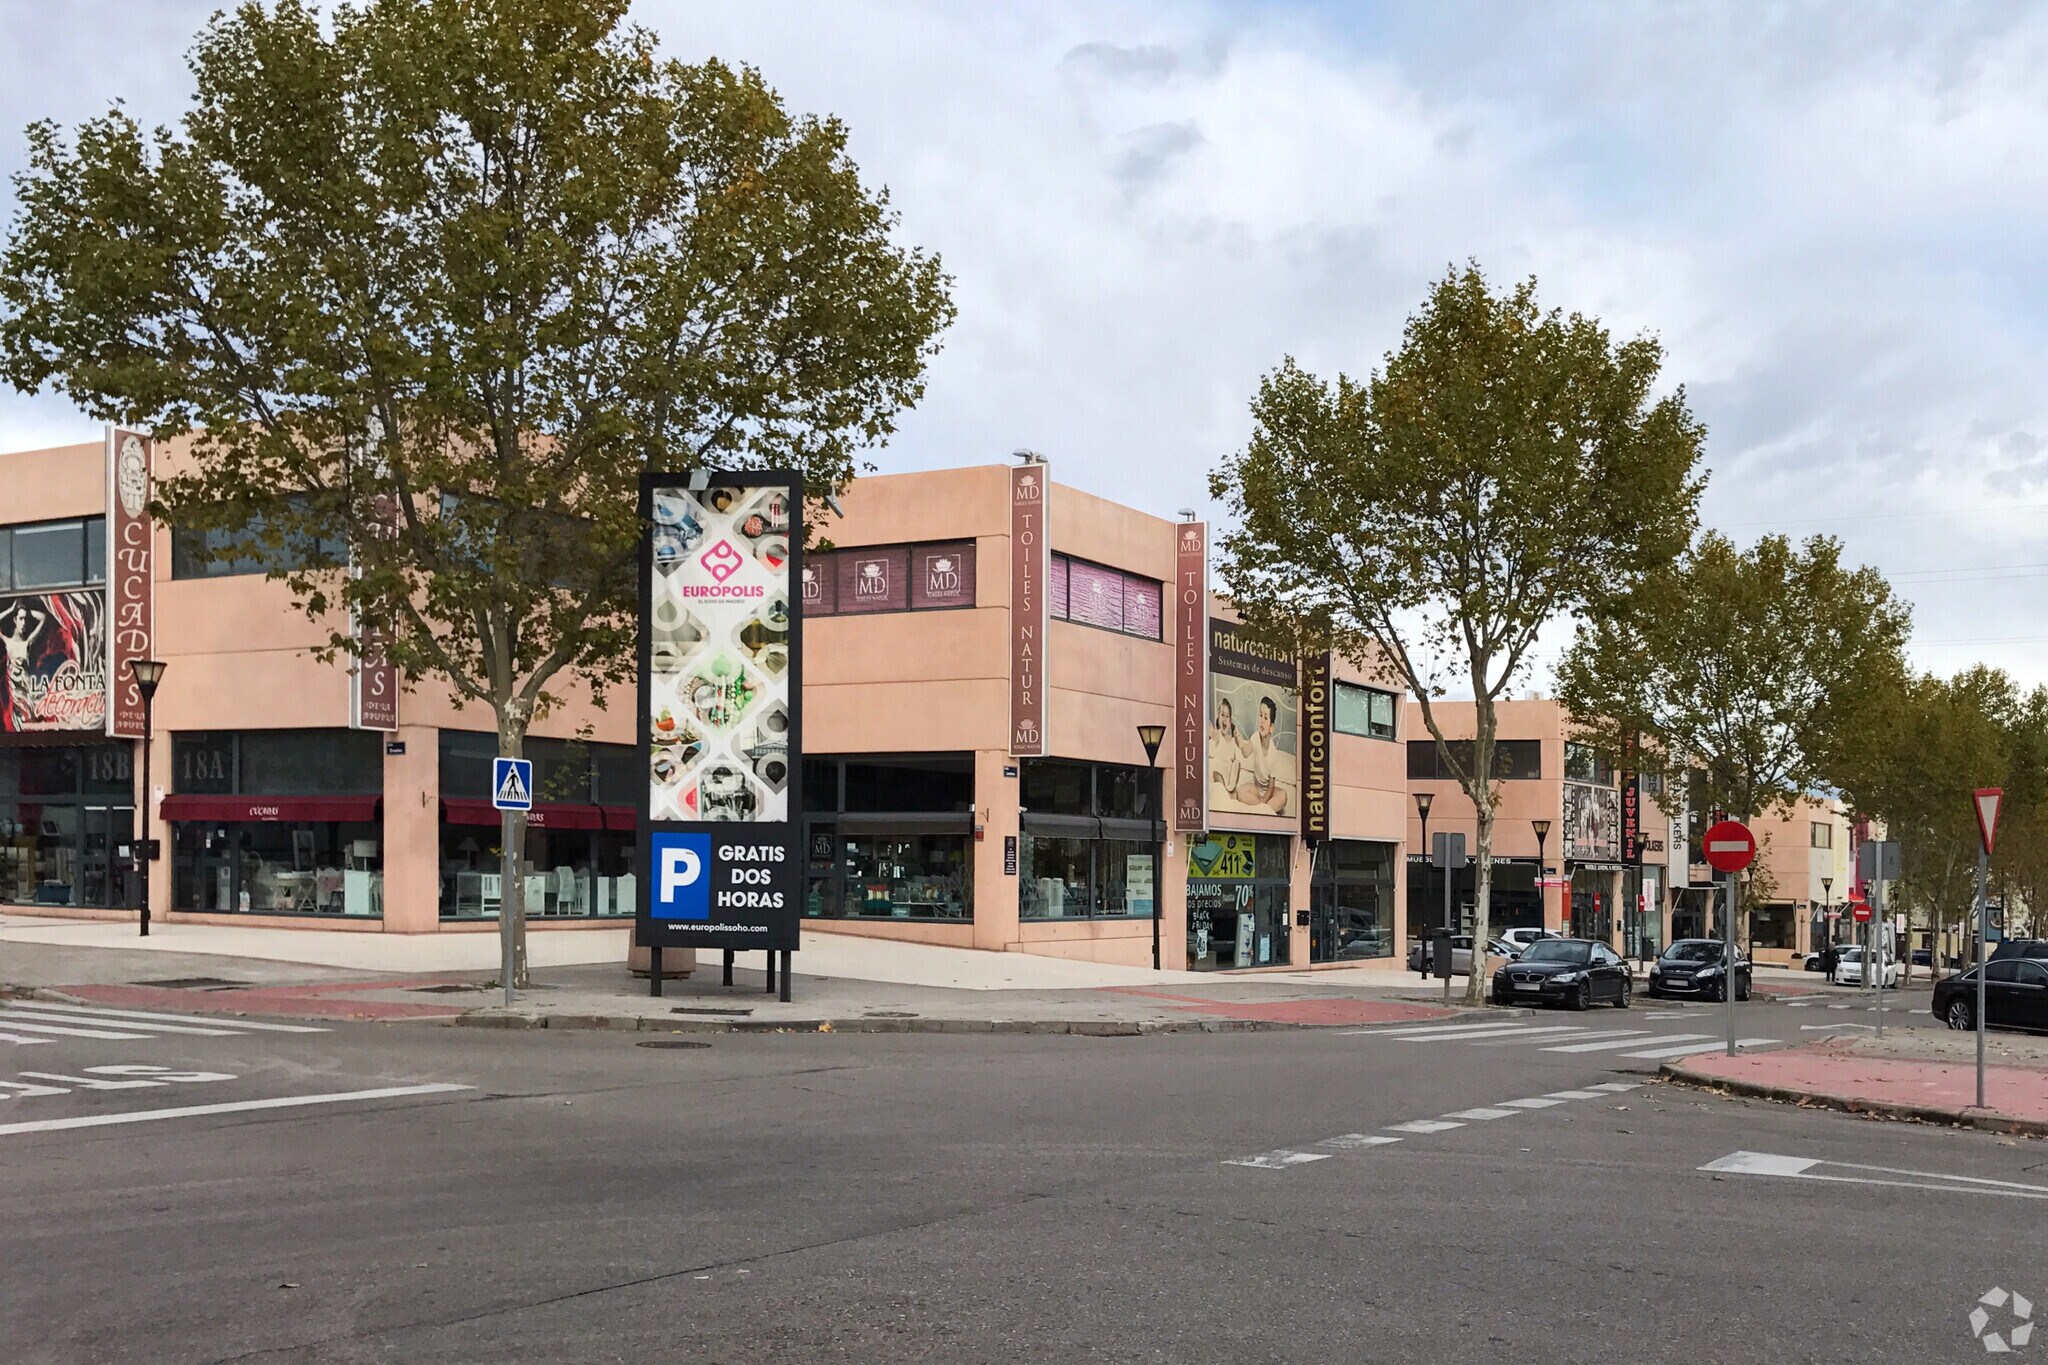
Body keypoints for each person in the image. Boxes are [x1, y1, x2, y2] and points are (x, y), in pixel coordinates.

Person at [1234, 695, 1296, 815]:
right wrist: (1240, 744)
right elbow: (1246, 753)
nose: (1261, 720)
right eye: (1260, 715)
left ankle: (1260, 809)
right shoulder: (1255, 737)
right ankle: (1265, 810)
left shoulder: (1273, 754)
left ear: (1271, 727)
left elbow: (1271, 787)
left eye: (1266, 717)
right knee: (1240, 791)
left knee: (1283, 796)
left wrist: (1262, 802)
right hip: (1256, 788)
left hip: (1269, 792)